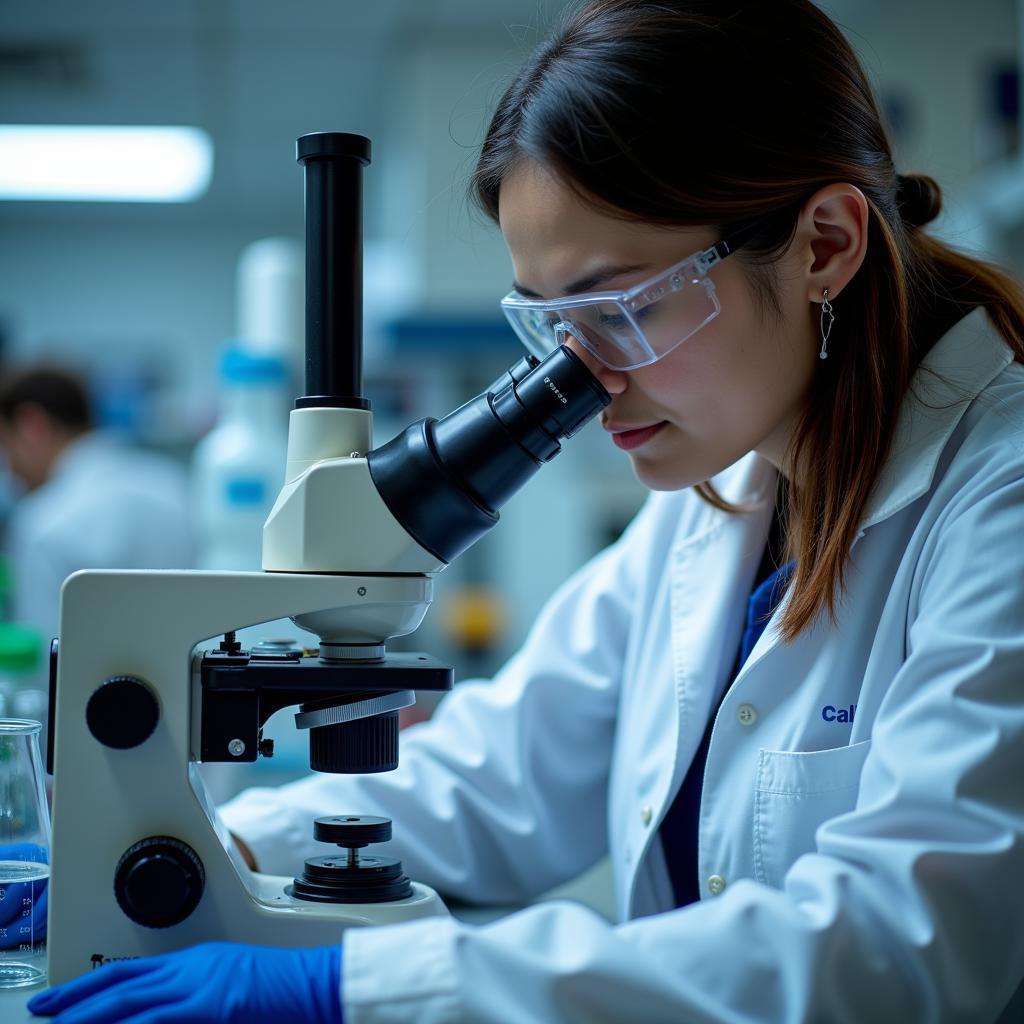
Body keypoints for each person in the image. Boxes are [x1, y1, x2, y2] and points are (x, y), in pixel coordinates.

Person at [29, 1, 1024, 1021]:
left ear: (822, 244)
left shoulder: (1002, 498)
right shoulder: (718, 497)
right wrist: (214, 851)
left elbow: (906, 935)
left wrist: (355, 989)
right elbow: (499, 770)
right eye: (550, 323)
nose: (581, 379)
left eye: (625, 307)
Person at [0, 365, 192, 652]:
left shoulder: (42, 521)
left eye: (5, 446)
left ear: (32, 425)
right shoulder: (172, 485)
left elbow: (45, 664)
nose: (9, 470)